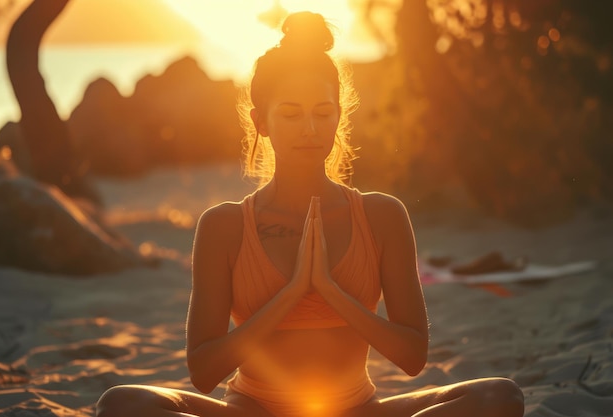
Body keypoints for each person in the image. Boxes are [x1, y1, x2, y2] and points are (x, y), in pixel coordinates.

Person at [96, 11, 524, 417]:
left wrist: (330, 290)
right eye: (291, 113)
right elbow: (204, 373)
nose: (310, 129)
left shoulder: (382, 215)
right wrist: (292, 292)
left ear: (339, 117)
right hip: (251, 412)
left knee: (499, 397)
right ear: (261, 120)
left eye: (323, 113)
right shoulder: (223, 226)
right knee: (122, 404)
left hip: (357, 410)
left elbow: (413, 357)